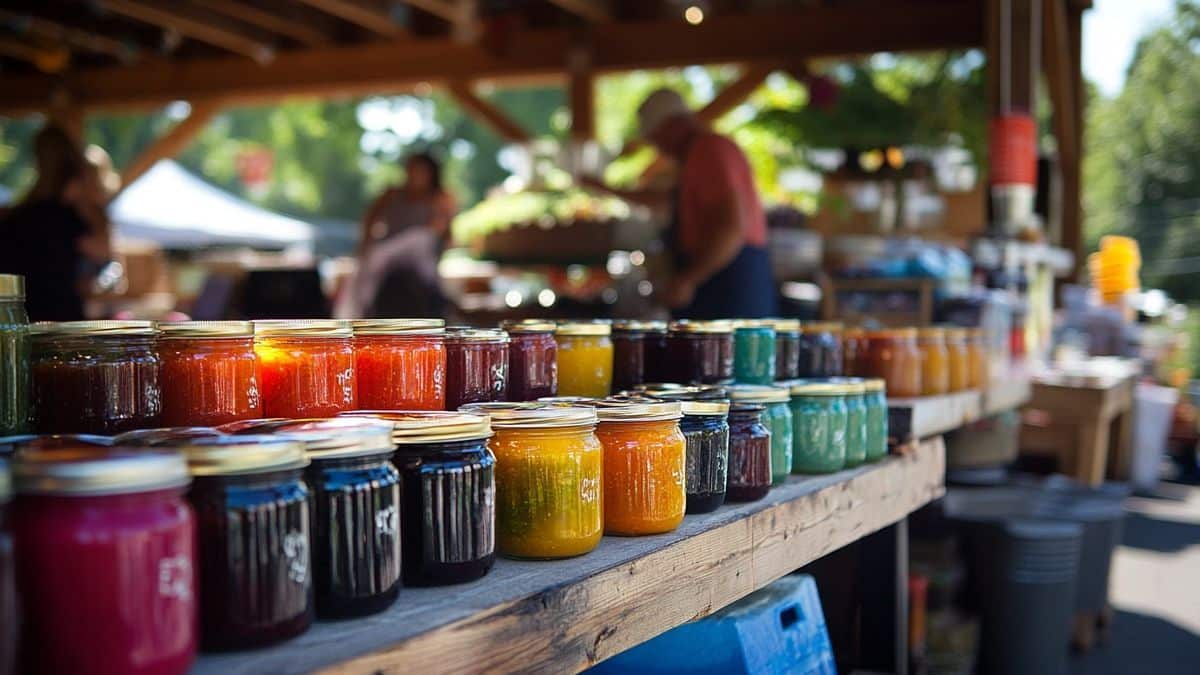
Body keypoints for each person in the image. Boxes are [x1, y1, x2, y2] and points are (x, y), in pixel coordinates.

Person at [584, 88, 777, 319]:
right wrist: (604, 188)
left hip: (731, 284)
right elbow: (663, 200)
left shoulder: (710, 150)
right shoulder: (694, 158)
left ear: (672, 126)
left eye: (657, 138)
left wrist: (688, 279)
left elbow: (732, 228)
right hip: (716, 281)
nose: (659, 147)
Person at [0, 124, 112, 321]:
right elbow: (101, 251)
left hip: (24, 315)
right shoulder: (67, 215)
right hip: (60, 315)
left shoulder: (19, 217)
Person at [343, 152, 455, 318]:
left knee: (420, 239)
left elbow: (441, 231)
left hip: (420, 255)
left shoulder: (439, 198)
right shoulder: (392, 194)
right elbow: (369, 219)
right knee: (366, 268)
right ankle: (362, 309)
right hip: (389, 250)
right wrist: (365, 246)